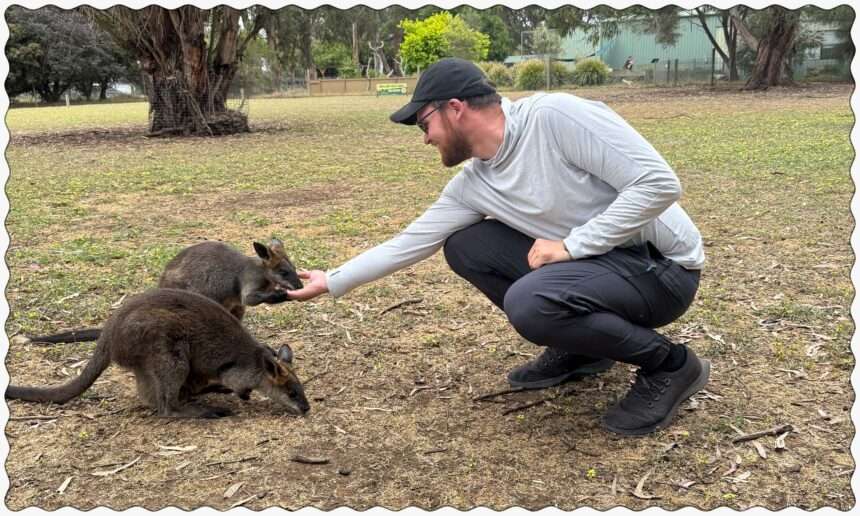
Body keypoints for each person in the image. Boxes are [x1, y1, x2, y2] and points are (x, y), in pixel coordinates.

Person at [287, 58, 708, 436]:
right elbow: (410, 243)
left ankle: (670, 364)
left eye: (423, 123)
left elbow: (658, 184)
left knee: (532, 302)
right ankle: (584, 351)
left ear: (455, 108)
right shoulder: (475, 184)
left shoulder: (553, 118)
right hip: (601, 269)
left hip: (663, 270)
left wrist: (573, 245)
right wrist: (332, 281)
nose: (425, 138)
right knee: (466, 245)